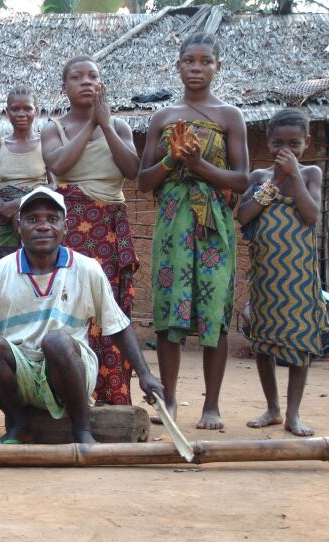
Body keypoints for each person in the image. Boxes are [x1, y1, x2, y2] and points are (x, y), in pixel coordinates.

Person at [0, 187, 164, 444]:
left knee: (56, 341)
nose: (42, 226)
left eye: (52, 219)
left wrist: (145, 375)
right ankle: (19, 423)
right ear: (19, 227)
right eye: (32, 219)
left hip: (67, 371)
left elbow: (117, 326)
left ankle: (81, 428)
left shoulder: (87, 269)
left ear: (65, 227)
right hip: (20, 376)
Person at [138, 33, 249, 430]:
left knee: (214, 310)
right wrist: (172, 157)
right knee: (169, 312)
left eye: (205, 61)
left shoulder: (230, 116)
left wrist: (200, 165)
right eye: (189, 61)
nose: (197, 68)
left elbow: (241, 180)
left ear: (217, 66)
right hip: (172, 224)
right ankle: (168, 401)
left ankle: (211, 406)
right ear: (178, 66)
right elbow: (143, 181)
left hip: (214, 227)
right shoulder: (162, 118)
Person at [41, 57, 141, 407]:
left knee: (111, 306)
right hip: (73, 228)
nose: (86, 82)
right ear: (64, 87)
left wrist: (107, 126)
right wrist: (91, 124)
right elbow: (59, 164)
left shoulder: (122, 127)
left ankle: (113, 392)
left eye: (93, 76)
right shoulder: (54, 128)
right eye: (76, 77)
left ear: (102, 84)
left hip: (110, 228)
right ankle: (71, 393)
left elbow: (132, 170)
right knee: (71, 302)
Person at [237, 109, 326, 437]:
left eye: (293, 143)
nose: (284, 149)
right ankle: (272, 408)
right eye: (277, 142)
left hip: (300, 277)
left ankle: (293, 414)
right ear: (267, 141)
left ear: (306, 142)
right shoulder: (259, 177)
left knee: (300, 341)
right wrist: (273, 183)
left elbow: (311, 215)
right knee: (263, 341)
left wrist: (294, 176)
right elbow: (244, 216)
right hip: (266, 276)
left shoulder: (312, 174)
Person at [0, 86, 51, 263]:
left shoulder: (46, 144)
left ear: (37, 111)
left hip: (38, 216)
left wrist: (18, 205)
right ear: (7, 111)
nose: (21, 113)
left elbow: (54, 185)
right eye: (15, 109)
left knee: (38, 267)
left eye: (27, 108)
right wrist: (3, 209)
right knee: (3, 269)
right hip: (3, 219)